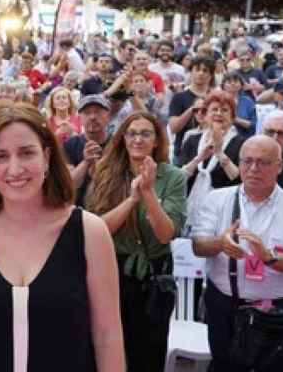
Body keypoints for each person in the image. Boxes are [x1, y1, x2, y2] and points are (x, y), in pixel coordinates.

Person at [0, 102, 125, 371]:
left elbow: (107, 335)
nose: (14, 169)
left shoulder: (89, 231)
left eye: (26, 153)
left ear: (47, 157)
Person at [191, 136, 283, 372]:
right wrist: (220, 243)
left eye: (263, 162)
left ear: (279, 166)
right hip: (224, 306)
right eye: (247, 161)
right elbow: (198, 245)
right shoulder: (217, 199)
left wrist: (269, 257)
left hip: (277, 311)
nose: (253, 169)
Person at [86, 111, 186, 371]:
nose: (137, 139)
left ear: (156, 141)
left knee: (148, 356)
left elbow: (166, 234)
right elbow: (97, 230)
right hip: (112, 272)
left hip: (153, 277)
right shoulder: (105, 173)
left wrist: (148, 193)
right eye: (131, 133)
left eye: (145, 133)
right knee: (108, 351)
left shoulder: (173, 176)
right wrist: (131, 200)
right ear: (122, 138)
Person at [180, 90, 245, 228]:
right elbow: (179, 177)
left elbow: (239, 179)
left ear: (232, 117)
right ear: (205, 115)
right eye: (214, 109)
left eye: (225, 110)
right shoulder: (192, 140)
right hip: (188, 209)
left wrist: (220, 153)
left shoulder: (241, 143)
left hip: (224, 213)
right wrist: (199, 159)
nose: (219, 114)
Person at [62, 94, 114, 205]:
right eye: (87, 113)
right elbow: (69, 184)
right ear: (79, 117)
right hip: (79, 209)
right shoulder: (69, 145)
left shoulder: (118, 144)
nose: (92, 117)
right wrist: (86, 161)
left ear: (108, 116)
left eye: (98, 112)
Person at [169, 55, 216, 156]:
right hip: (183, 153)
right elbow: (174, 128)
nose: (201, 73)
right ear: (191, 72)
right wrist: (192, 110)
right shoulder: (179, 97)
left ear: (210, 75)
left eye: (205, 70)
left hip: (210, 152)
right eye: (197, 69)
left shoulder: (215, 98)